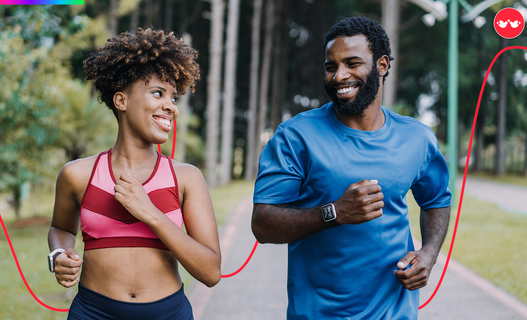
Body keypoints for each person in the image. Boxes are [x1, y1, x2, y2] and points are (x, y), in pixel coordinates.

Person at [251, 16, 451, 319]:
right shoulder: (295, 136)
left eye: (352, 63)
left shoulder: (418, 138)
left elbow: (436, 200)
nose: (339, 75)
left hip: (395, 311)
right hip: (317, 313)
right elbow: (263, 224)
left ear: (382, 65)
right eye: (331, 67)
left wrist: (429, 253)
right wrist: (335, 213)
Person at [47, 28, 221, 320]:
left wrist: (150, 213)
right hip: (92, 313)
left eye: (173, 98)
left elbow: (211, 271)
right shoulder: (77, 175)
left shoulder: (187, 178)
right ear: (121, 101)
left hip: (169, 314)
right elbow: (61, 229)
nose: (171, 107)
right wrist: (58, 256)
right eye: (158, 93)